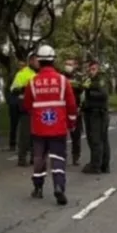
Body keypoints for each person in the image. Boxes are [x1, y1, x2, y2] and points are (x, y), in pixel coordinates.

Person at [23, 44, 77, 205]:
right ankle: (59, 186)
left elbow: (27, 105)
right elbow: (71, 105)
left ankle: (38, 189)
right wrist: (72, 122)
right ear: (53, 61)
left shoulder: (32, 82)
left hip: (39, 128)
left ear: (39, 61)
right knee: (58, 158)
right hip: (58, 128)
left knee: (39, 158)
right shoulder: (63, 81)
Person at [81, 59, 110, 174]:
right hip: (90, 112)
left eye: (93, 69)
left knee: (96, 139)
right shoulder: (90, 79)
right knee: (98, 139)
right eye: (90, 69)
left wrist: (89, 89)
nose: (91, 71)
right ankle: (102, 164)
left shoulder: (100, 80)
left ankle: (96, 165)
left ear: (98, 69)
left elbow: (103, 94)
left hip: (97, 113)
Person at [11, 54, 38, 166]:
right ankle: (22, 158)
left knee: (36, 135)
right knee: (25, 135)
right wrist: (24, 88)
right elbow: (13, 89)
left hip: (37, 108)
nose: (39, 63)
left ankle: (34, 157)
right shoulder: (22, 74)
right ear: (31, 61)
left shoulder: (39, 73)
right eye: (37, 61)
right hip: (26, 108)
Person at [63, 61, 85, 165]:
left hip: (76, 109)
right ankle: (62, 156)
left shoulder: (79, 77)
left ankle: (76, 157)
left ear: (75, 65)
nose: (68, 66)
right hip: (63, 109)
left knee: (76, 135)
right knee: (61, 135)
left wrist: (81, 107)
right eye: (67, 64)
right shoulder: (61, 77)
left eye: (71, 64)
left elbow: (83, 92)